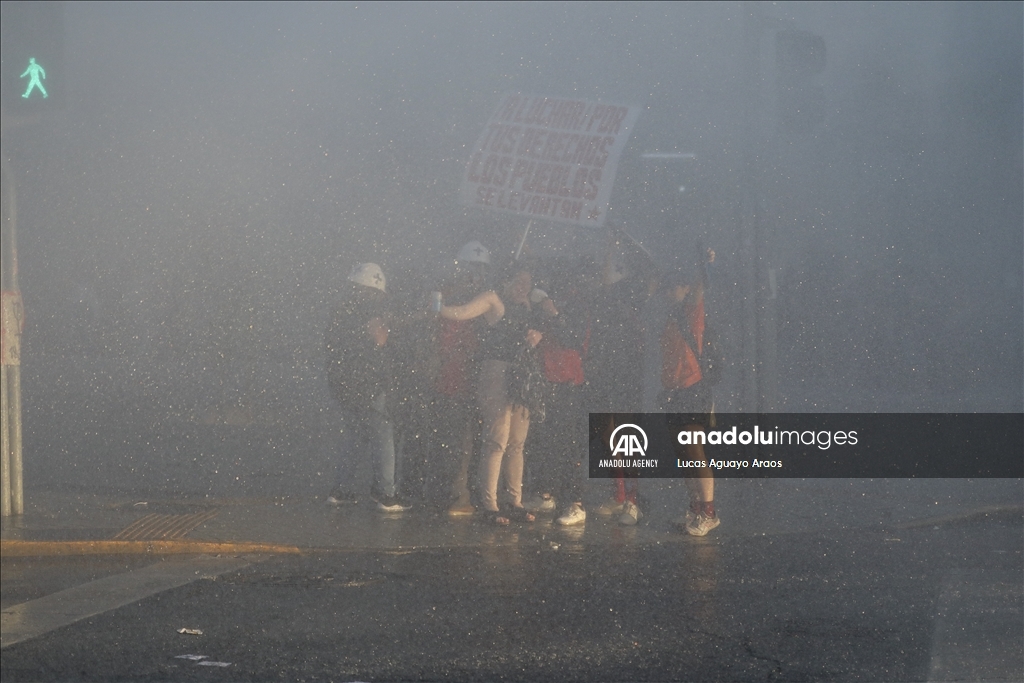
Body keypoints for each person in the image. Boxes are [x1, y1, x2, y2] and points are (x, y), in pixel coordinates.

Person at [439, 259, 546, 526]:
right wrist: (438, 307)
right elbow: (462, 312)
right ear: (507, 280)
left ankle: (514, 501)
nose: (524, 287)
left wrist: (534, 340)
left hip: (522, 375)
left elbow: (530, 338)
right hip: (496, 372)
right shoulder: (493, 299)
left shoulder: (527, 306)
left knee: (517, 442)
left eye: (528, 284)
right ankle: (490, 505)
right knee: (497, 439)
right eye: (519, 282)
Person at [324, 263, 410, 512]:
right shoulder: (369, 311)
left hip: (343, 384)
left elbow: (337, 349)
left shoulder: (340, 311)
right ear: (371, 291)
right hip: (369, 384)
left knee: (356, 435)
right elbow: (379, 340)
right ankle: (387, 494)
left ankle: (341, 490)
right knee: (384, 435)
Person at [660, 249, 720, 536]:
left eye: (677, 286)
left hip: (694, 389)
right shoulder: (670, 316)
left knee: (695, 451)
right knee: (683, 454)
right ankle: (695, 508)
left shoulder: (691, 312)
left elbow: (699, 288)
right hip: (674, 392)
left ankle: (709, 512)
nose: (672, 291)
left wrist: (702, 264)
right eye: (669, 287)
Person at [431, 240, 491, 516]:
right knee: (456, 442)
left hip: (475, 382)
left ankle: (465, 495)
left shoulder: (485, 300)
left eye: (479, 269)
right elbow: (441, 339)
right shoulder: (446, 296)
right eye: (470, 267)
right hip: (452, 381)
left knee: (474, 442)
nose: (474, 274)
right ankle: (456, 496)